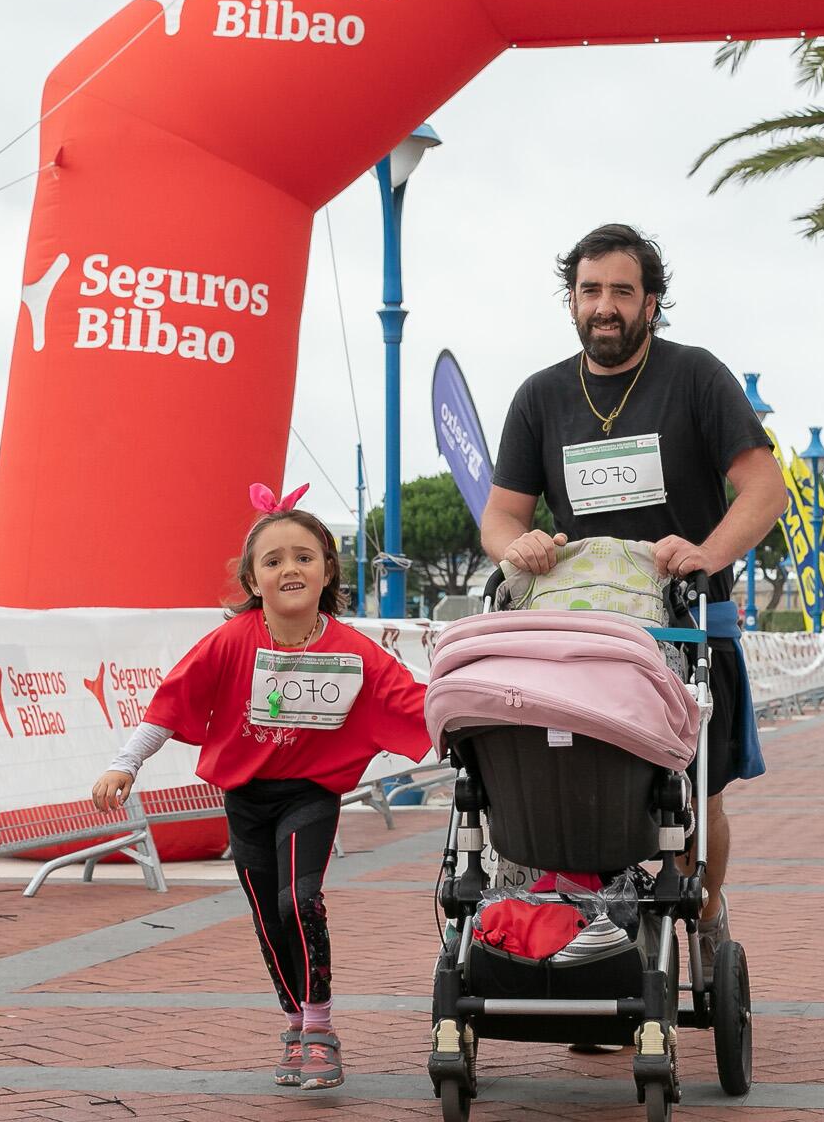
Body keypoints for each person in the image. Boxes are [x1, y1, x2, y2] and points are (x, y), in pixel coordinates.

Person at [477, 224, 786, 978]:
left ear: (652, 302)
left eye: (622, 291)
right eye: (590, 291)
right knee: (570, 774)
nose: (605, 306)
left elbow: (764, 488)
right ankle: (584, 924)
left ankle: (707, 913)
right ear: (572, 301)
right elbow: (500, 515)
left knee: (697, 795)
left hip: (682, 628)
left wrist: (709, 551)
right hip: (578, 633)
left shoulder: (697, 379)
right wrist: (513, 547)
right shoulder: (541, 396)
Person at [90, 490, 429, 1092]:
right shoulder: (231, 640)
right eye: (272, 561)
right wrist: (126, 763)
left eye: (304, 557)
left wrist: (480, 717)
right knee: (266, 915)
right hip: (246, 799)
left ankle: (321, 1027)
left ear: (328, 570)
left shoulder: (354, 651)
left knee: (298, 903)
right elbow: (172, 703)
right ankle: (296, 1023)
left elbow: (414, 702)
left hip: (309, 795)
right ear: (252, 578)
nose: (289, 569)